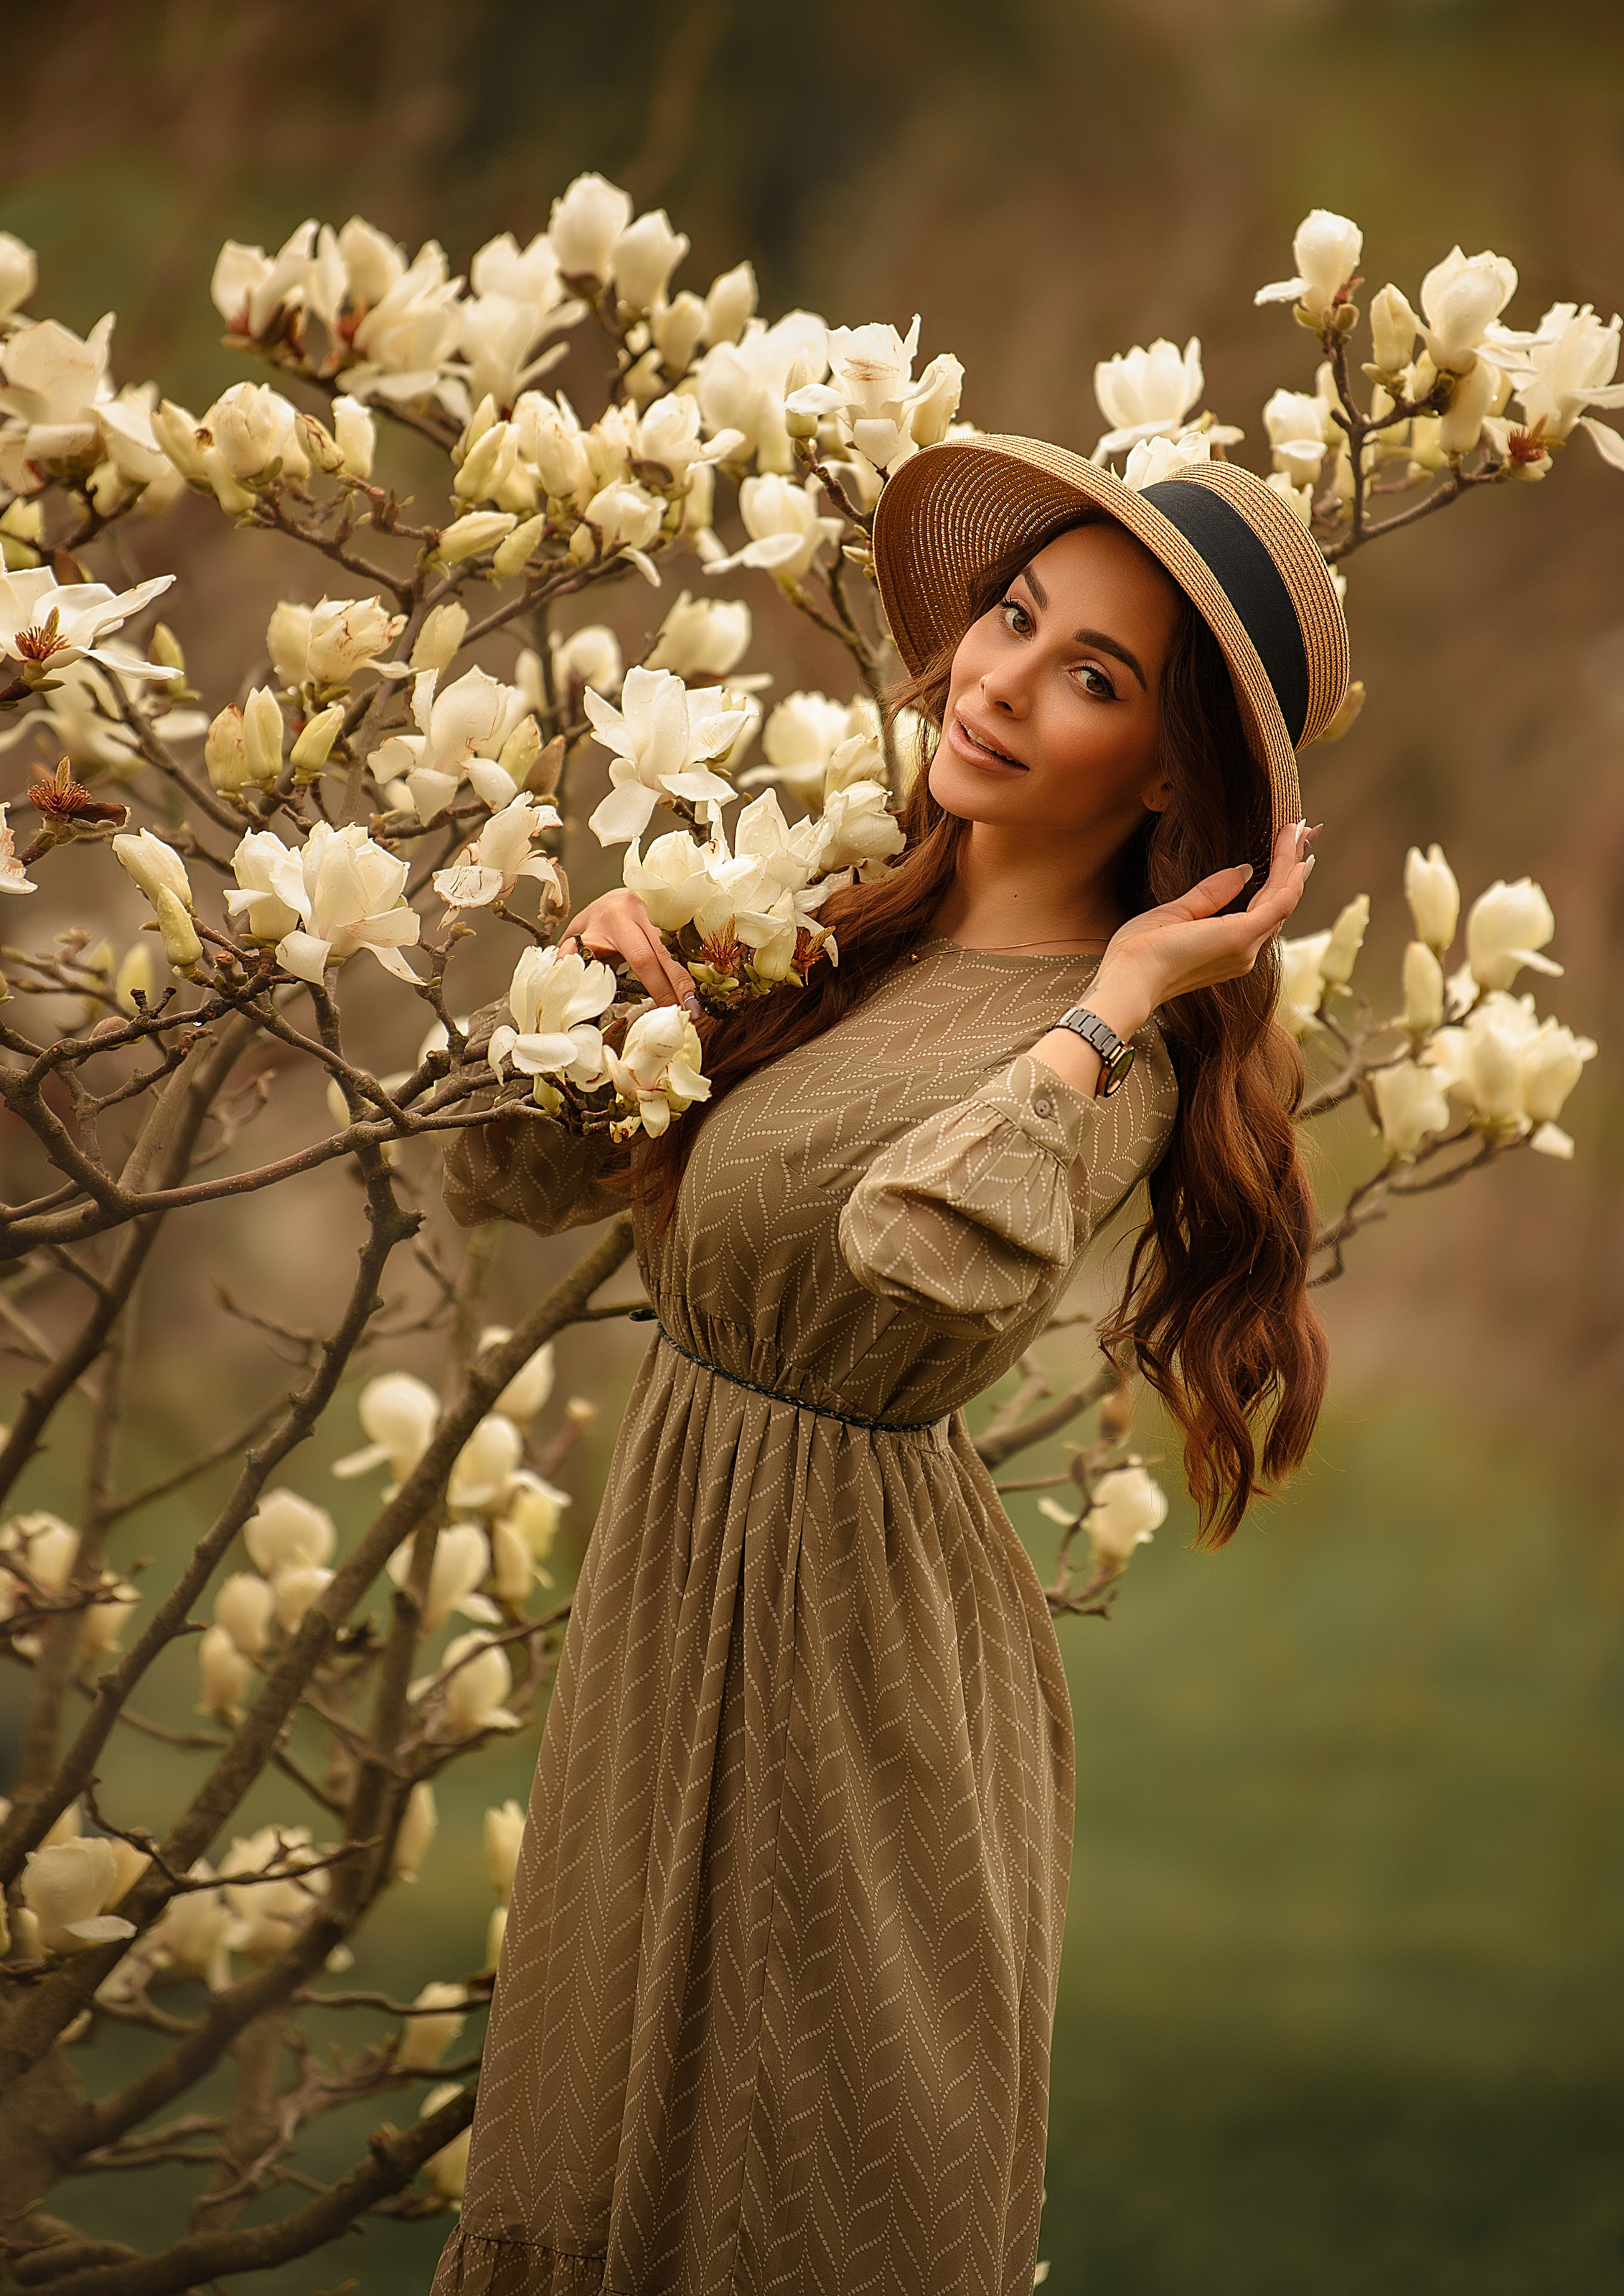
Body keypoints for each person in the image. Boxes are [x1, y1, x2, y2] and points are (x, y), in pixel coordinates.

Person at [429, 437, 1349, 2296]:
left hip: (853, 1675)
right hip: (686, 1603)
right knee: (603, 2141)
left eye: (1091, 675)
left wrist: (1115, 1005)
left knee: (781, 2184)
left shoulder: (1116, 1060)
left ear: (1164, 771)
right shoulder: (840, 932)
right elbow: (499, 1183)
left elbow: (914, 1269)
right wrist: (608, 1013)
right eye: (1014, 619)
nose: (1002, 680)